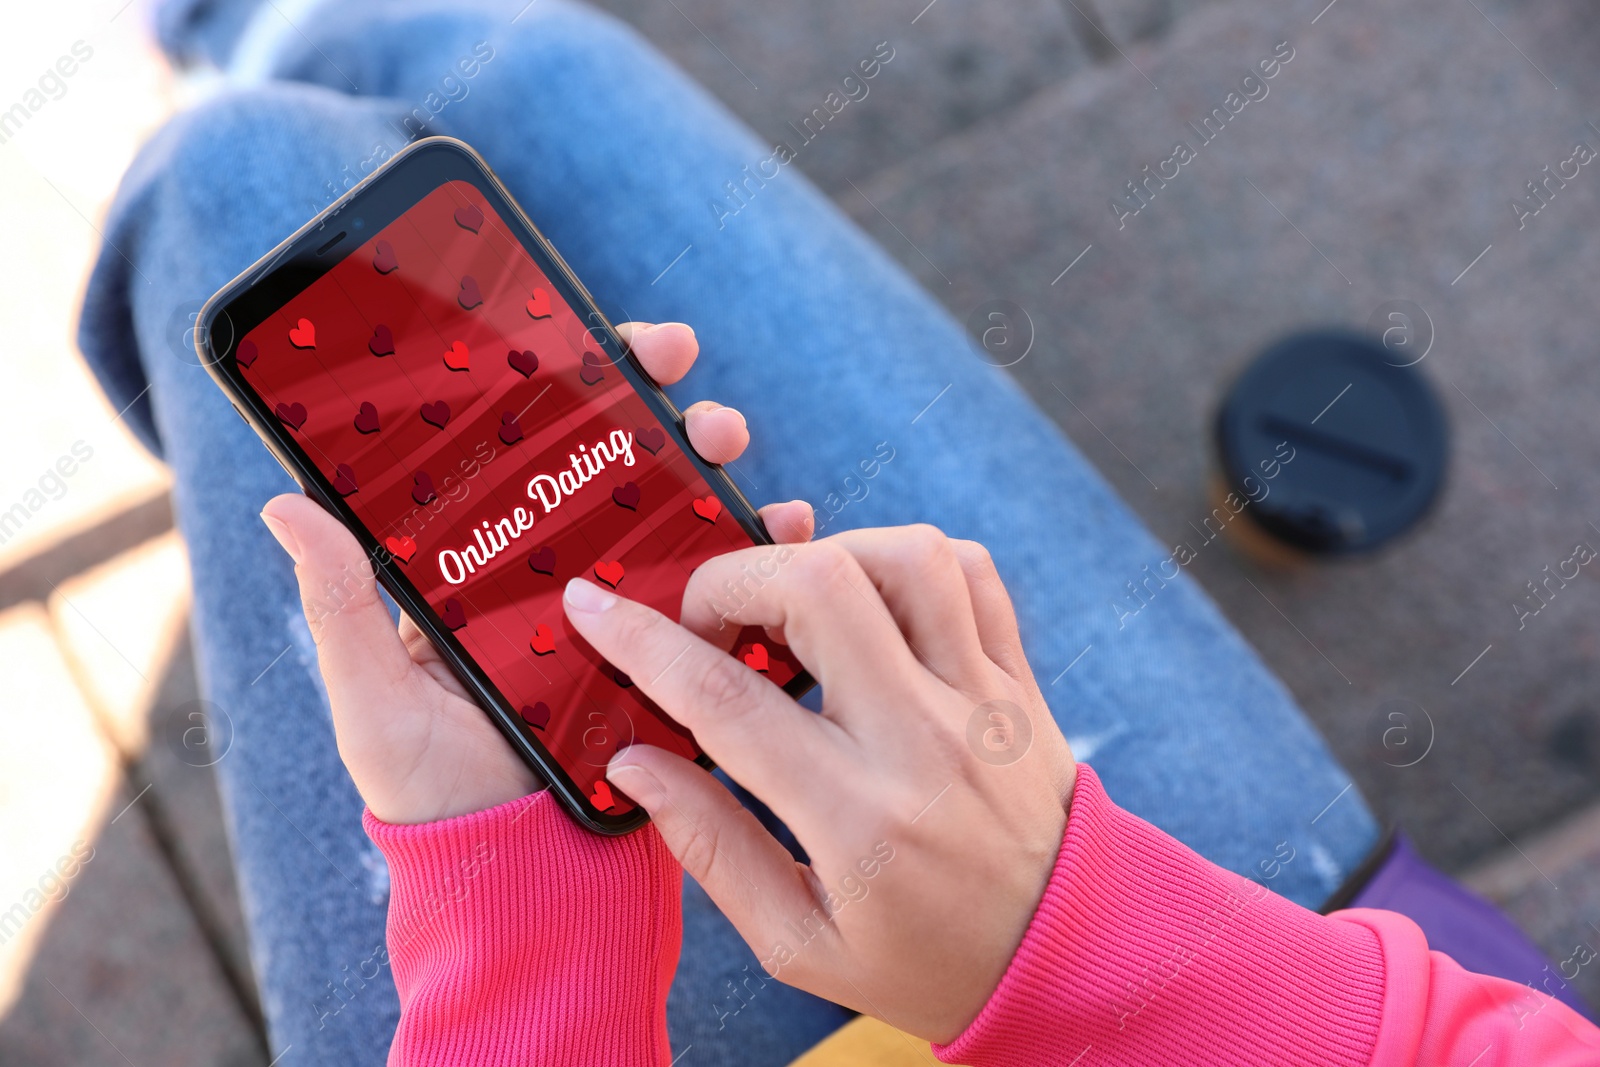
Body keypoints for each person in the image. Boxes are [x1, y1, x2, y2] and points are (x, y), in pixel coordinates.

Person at [77, 0, 1594, 1062]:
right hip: (1270, 993)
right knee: (528, 75)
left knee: (240, 189)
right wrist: (1072, 952)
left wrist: (521, 907)